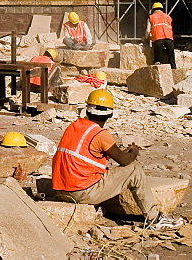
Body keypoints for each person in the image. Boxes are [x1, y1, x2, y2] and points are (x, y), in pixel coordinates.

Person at [52, 89, 184, 231]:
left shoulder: (74, 126)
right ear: (110, 113)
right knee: (134, 170)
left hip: (62, 191)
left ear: (87, 110)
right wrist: (134, 151)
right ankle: (155, 219)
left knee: (105, 171)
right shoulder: (100, 134)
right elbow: (125, 161)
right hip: (81, 193)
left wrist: (124, 153)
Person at [145, 3, 176, 69]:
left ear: (153, 10)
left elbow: (148, 31)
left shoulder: (151, 17)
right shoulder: (168, 17)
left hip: (158, 38)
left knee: (157, 60)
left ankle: (158, 72)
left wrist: (147, 37)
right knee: (171, 57)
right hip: (169, 39)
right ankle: (174, 69)